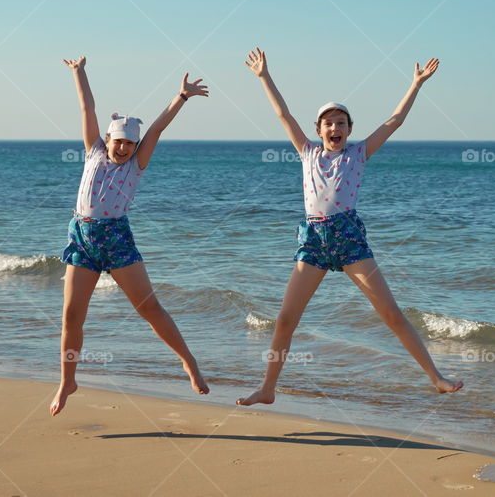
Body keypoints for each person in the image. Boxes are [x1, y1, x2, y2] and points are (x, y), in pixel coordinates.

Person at [236, 47, 463, 407]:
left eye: (341, 123)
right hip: (313, 239)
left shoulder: (358, 154)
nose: (335, 127)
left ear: (349, 130)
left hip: (349, 237)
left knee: (390, 313)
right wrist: (264, 76)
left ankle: (436, 377)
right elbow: (283, 113)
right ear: (319, 130)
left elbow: (394, 120)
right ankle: (267, 389)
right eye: (329, 122)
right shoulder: (307, 152)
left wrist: (416, 84)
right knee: (284, 320)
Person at [51, 55, 210, 416]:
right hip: (83, 239)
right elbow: (86, 106)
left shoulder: (137, 165)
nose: (123, 148)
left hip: (117, 239)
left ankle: (189, 362)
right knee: (71, 316)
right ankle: (67, 380)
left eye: (129, 144)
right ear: (107, 140)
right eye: (118, 142)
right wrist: (80, 72)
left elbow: (155, 130)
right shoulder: (93, 151)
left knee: (149, 307)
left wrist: (180, 98)